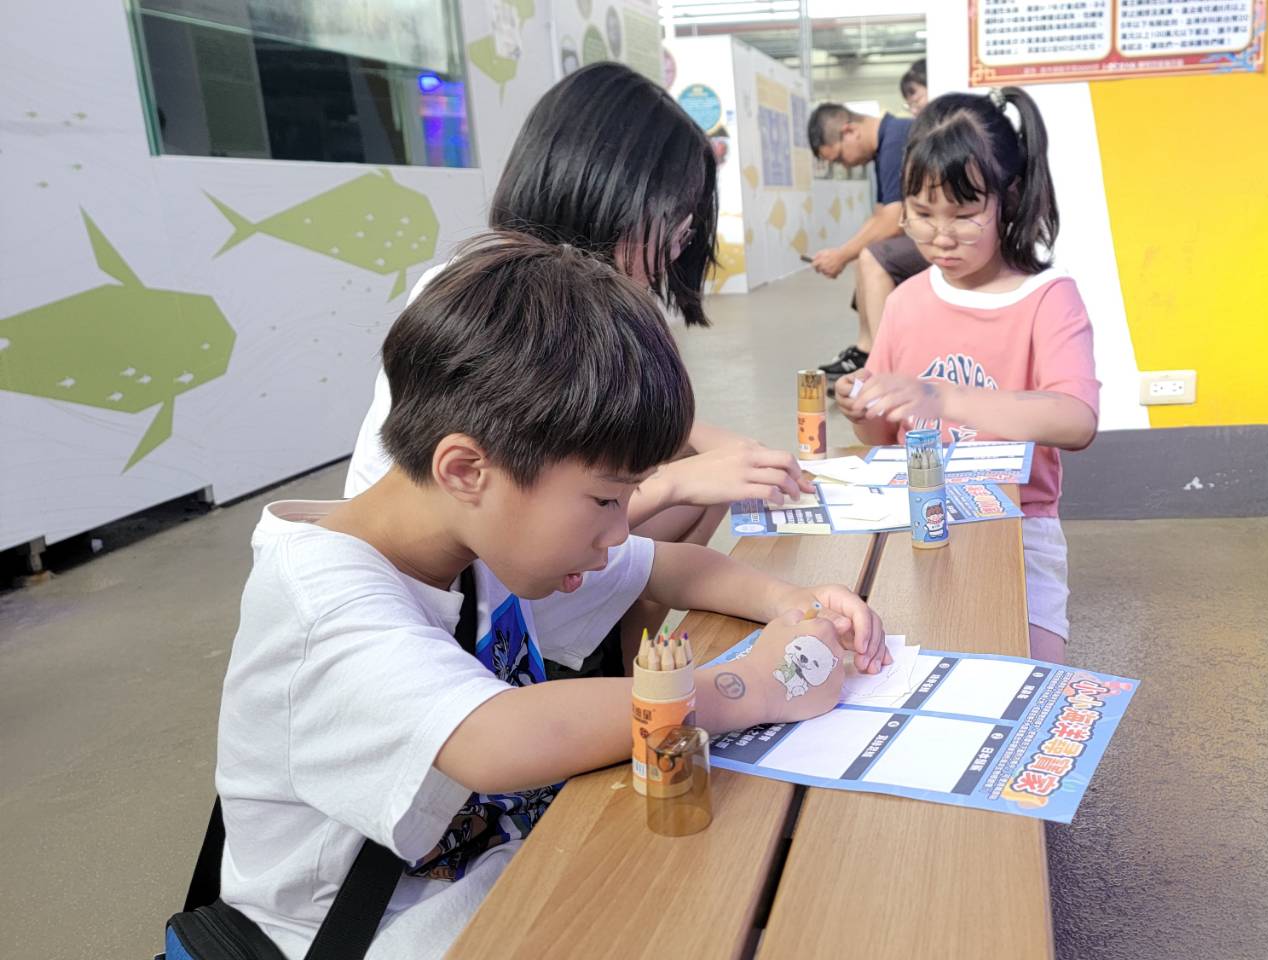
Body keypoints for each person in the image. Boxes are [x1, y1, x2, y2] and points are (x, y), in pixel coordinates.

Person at [217, 234, 889, 958]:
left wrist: (793, 601)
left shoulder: (475, 535)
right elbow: (496, 736)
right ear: (467, 469)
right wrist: (757, 684)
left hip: (509, 862)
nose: (617, 527)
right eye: (605, 499)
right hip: (385, 929)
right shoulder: (322, 601)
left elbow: (670, 567)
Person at [347, 63, 809, 669]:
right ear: (604, 194)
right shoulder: (491, 304)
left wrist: (711, 446)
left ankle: (618, 657)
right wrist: (672, 481)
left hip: (501, 570)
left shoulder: (571, 302)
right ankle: (605, 668)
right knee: (690, 488)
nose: (677, 248)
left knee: (702, 484)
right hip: (476, 582)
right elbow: (502, 494)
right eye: (671, 226)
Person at [834, 88, 1100, 665]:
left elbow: (1076, 420)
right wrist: (865, 410)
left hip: (1017, 531)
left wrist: (943, 396)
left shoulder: (1047, 299)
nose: (940, 235)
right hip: (921, 524)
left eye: (963, 213)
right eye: (921, 213)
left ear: (1009, 198)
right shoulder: (906, 302)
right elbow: (879, 439)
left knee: (1025, 684)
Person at [805, 102, 929, 380]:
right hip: (928, 233)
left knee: (871, 257)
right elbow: (880, 215)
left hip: (945, 236)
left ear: (850, 131)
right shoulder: (886, 143)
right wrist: (842, 252)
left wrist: (842, 255)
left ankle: (881, 367)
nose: (844, 166)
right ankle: (867, 349)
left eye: (838, 158)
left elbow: (893, 220)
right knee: (867, 254)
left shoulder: (897, 141)